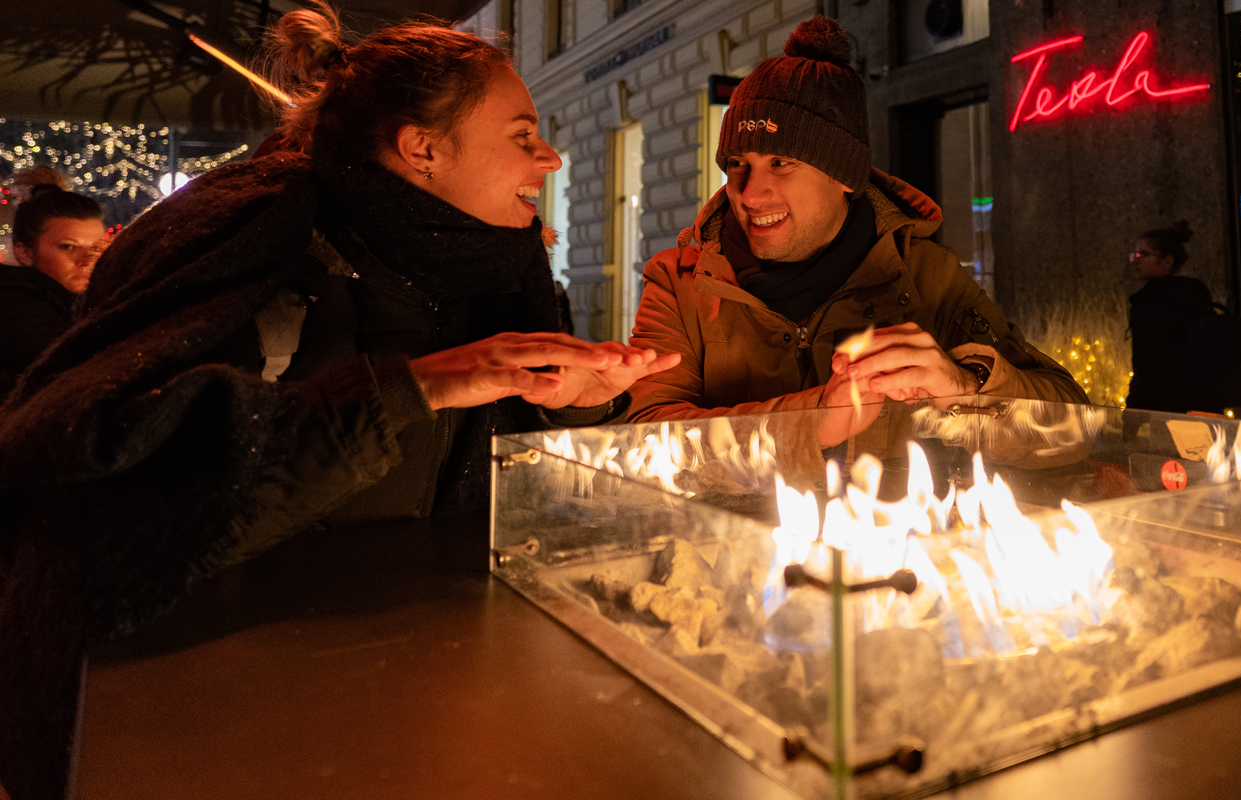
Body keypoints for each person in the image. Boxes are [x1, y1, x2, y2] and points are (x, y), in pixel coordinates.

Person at [0, 7, 678, 798]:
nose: (551, 158)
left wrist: (575, 405)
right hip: (202, 715)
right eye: (523, 134)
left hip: (412, 678)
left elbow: (503, 480)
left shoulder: (496, 263)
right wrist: (416, 385)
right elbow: (122, 475)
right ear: (422, 148)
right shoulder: (247, 236)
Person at [627, 17, 1083, 450]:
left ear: (844, 175)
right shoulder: (679, 283)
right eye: (736, 164)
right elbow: (638, 439)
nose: (748, 193)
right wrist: (807, 421)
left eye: (781, 162)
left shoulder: (927, 277)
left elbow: (1073, 429)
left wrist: (969, 388)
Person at [0, 168, 104, 392]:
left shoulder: (84, 301)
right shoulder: (12, 304)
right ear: (25, 252)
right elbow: (80, 366)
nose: (88, 260)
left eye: (96, 248)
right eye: (68, 247)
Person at [1124, 220, 1214, 413]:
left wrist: (1134, 409)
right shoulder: (1197, 295)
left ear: (1167, 260)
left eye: (1143, 254)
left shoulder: (1150, 302)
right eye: (1134, 254)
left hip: (1166, 406)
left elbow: (1148, 363)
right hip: (1206, 399)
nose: (1135, 260)